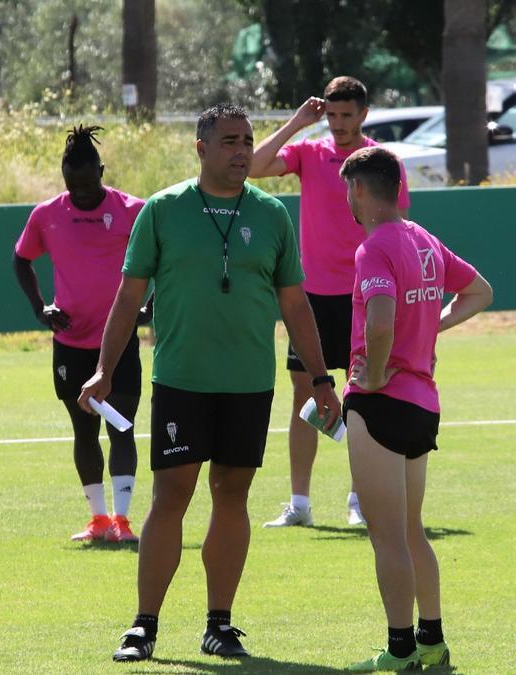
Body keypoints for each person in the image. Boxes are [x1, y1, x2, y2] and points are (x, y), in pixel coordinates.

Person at [79, 104, 341, 662]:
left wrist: (320, 378)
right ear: (201, 148)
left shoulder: (272, 215)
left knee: (232, 494)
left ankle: (218, 624)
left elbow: (295, 303)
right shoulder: (163, 210)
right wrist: (105, 368)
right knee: (171, 495)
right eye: (229, 141)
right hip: (182, 381)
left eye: (247, 140)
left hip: (248, 384)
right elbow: (128, 297)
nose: (242, 150)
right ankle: (143, 626)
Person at [335, 147, 492, 671]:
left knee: (387, 536)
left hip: (381, 402)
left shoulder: (374, 246)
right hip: (423, 403)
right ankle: (432, 641)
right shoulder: (423, 238)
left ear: (360, 189)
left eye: (347, 191)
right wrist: (430, 328)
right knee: (411, 530)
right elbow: (478, 292)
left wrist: (376, 373)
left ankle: (400, 651)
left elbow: (379, 322)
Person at [249, 76, 411, 528]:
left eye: (347, 115)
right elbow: (253, 166)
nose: (338, 124)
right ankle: (299, 504)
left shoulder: (381, 162)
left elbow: (398, 226)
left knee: (362, 394)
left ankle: (361, 500)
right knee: (306, 396)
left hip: (366, 294)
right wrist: (296, 123)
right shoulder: (310, 152)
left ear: (363, 115)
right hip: (313, 298)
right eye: (332, 115)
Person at [13, 125, 150, 543]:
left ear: (102, 172)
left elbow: (166, 260)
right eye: (74, 186)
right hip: (71, 345)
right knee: (84, 431)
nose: (83, 194)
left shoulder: (132, 210)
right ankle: (98, 519)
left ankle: (123, 522)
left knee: (122, 428)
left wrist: (152, 305)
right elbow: (21, 260)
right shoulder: (47, 215)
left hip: (120, 342)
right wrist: (41, 308)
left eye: (90, 184)